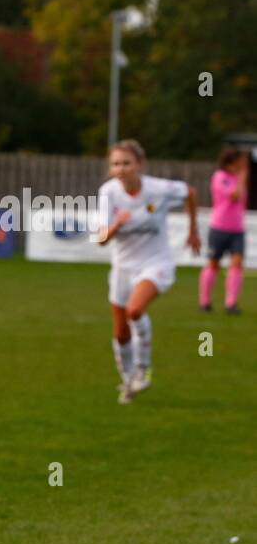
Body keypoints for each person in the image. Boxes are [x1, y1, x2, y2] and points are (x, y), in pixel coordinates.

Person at [96, 139, 199, 404]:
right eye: (115, 164)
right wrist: (117, 225)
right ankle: (129, 380)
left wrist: (193, 230)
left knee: (135, 310)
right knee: (120, 332)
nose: (121, 169)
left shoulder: (159, 189)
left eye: (126, 163)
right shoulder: (108, 193)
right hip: (122, 267)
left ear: (139, 165)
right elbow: (101, 238)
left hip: (156, 262)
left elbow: (190, 192)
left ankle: (143, 368)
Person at [199, 147, 247, 315]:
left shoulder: (238, 178)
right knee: (214, 263)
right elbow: (234, 196)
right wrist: (242, 177)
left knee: (237, 263)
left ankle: (231, 303)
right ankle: (204, 301)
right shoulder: (220, 178)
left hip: (237, 229)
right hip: (219, 227)